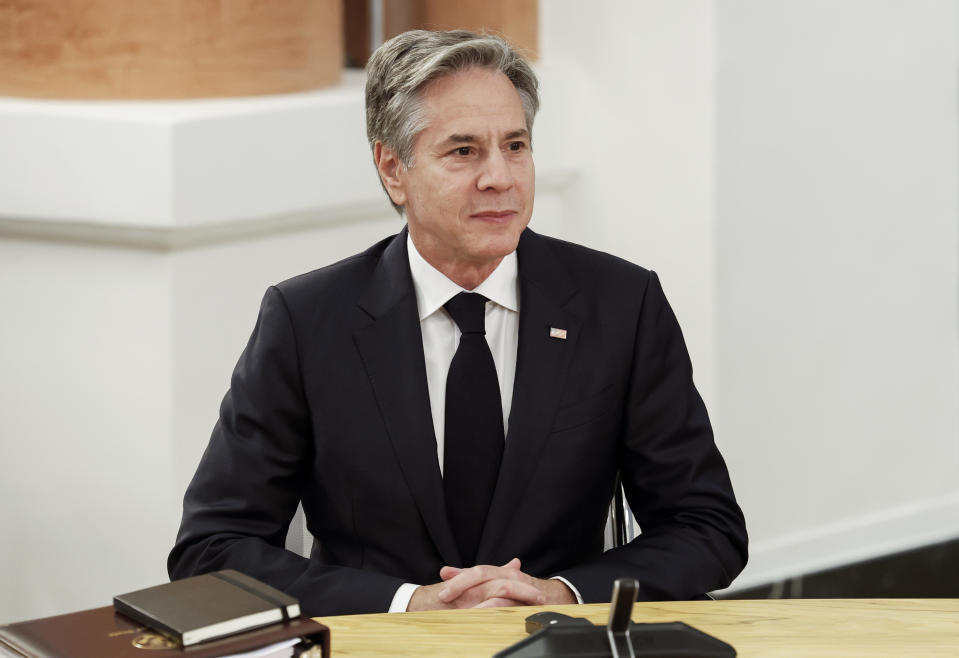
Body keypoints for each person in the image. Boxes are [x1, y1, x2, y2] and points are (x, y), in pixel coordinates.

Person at [168, 29, 747, 616]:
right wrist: (407, 604)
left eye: (516, 146)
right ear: (393, 168)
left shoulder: (620, 304)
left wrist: (560, 594)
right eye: (464, 151)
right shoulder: (307, 320)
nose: (501, 177)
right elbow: (211, 548)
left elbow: (707, 527)